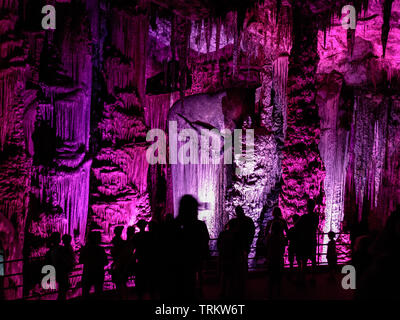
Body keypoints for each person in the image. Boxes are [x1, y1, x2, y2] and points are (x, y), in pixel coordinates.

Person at [175, 195, 210, 300]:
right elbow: (205, 240)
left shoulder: (173, 226)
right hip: (193, 261)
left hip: (179, 265)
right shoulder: (199, 225)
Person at [217, 219, 247, 299]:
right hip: (235, 258)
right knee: (234, 276)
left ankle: (223, 292)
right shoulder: (238, 235)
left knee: (224, 275)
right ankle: (233, 293)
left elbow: (218, 245)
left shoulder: (223, 234)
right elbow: (241, 247)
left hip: (225, 257)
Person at [264, 207, 288, 298]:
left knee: (271, 271)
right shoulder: (283, 222)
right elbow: (287, 233)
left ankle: (270, 291)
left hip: (271, 249)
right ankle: (279, 291)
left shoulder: (270, 223)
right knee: (279, 269)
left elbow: (266, 235)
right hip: (280, 246)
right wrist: (285, 240)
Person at [295, 199, 319, 284]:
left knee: (304, 260)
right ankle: (313, 278)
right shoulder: (316, 216)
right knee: (313, 259)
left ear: (308, 206)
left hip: (305, 240)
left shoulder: (304, 217)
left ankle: (303, 278)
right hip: (313, 239)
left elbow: (296, 225)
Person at [80, 231, 108, 298]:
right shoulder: (100, 249)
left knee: (85, 292)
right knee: (98, 292)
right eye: (99, 238)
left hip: (87, 272)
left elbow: (81, 260)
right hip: (98, 273)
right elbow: (105, 262)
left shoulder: (85, 249)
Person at [56, 234, 75, 300]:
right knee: (63, 286)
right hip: (66, 269)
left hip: (64, 270)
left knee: (62, 287)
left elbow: (63, 258)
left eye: (63, 240)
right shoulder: (69, 248)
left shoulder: (66, 249)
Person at [110, 226, 128, 296]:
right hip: (120, 263)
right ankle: (122, 295)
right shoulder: (119, 241)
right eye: (120, 231)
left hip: (117, 263)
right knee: (121, 281)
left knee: (119, 282)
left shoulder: (115, 241)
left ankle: (120, 295)